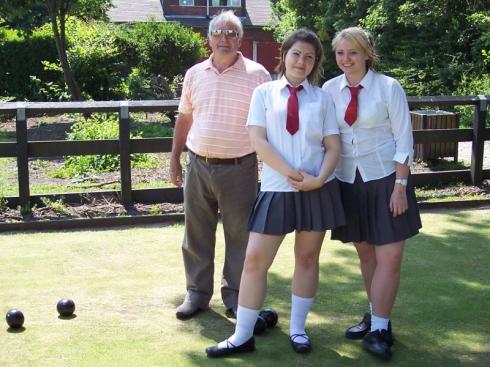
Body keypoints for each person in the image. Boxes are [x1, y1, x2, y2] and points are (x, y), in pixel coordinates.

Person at [205, 29, 345, 357]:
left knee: (307, 259)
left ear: (315, 63)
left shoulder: (322, 98)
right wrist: (291, 173)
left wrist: (318, 179)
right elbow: (258, 141)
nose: (302, 61)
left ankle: (298, 330)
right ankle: (242, 336)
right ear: (284, 55)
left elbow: (332, 145)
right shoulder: (264, 93)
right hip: (276, 187)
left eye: (309, 57)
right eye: (297, 54)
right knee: (254, 261)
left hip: (316, 189)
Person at [322, 27, 422, 361]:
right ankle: (375, 316)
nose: (346, 60)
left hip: (385, 180)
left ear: (367, 54)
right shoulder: (328, 90)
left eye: (352, 53)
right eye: (340, 53)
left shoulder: (388, 87)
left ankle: (380, 330)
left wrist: (400, 187)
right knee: (366, 255)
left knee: (390, 256)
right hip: (348, 181)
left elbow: (404, 139)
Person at [170, 10, 271, 321]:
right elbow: (185, 117)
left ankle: (237, 296)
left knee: (240, 235)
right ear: (209, 38)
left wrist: (270, 166)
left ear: (240, 39)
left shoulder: (258, 75)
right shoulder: (194, 73)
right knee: (196, 232)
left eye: (231, 33)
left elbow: (268, 125)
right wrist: (174, 157)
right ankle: (197, 294)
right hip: (198, 164)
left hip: (240, 167)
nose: (224, 38)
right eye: (218, 33)